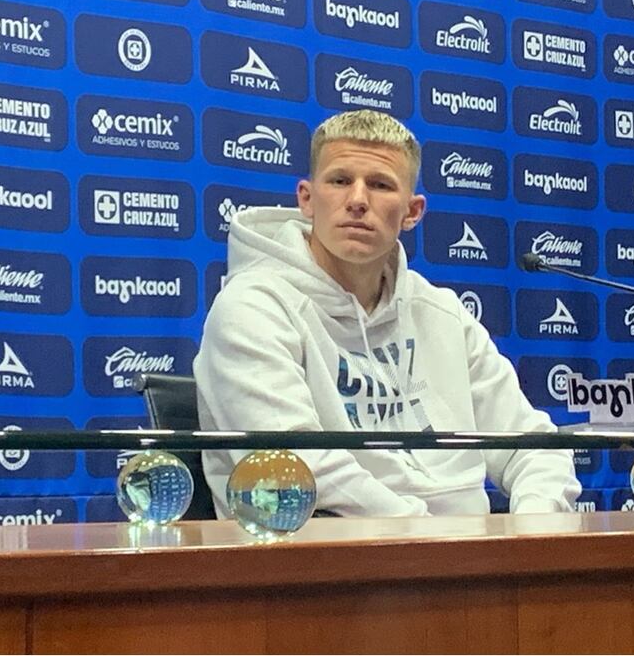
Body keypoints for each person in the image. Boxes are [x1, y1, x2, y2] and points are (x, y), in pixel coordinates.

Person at [194, 109, 580, 517]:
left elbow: (536, 448)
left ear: (412, 212)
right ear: (307, 199)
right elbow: (300, 472)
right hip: (330, 560)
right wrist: (438, 542)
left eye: (379, 185)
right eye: (340, 181)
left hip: (469, 561)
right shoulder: (252, 307)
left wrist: (530, 528)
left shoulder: (442, 313)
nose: (358, 201)